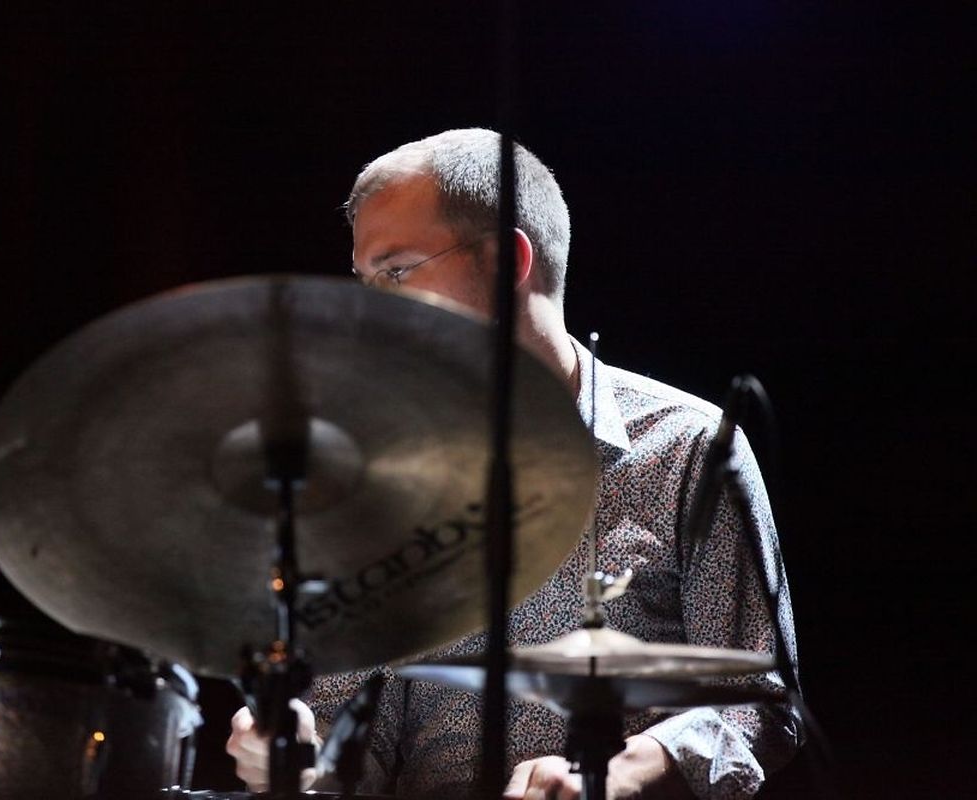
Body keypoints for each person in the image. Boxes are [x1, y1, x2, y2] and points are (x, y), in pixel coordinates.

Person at [226, 128, 802, 799]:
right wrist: (302, 753)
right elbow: (356, 733)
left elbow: (758, 702)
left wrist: (617, 773)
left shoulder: (688, 446)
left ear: (505, 261)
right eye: (364, 281)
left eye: (395, 272)